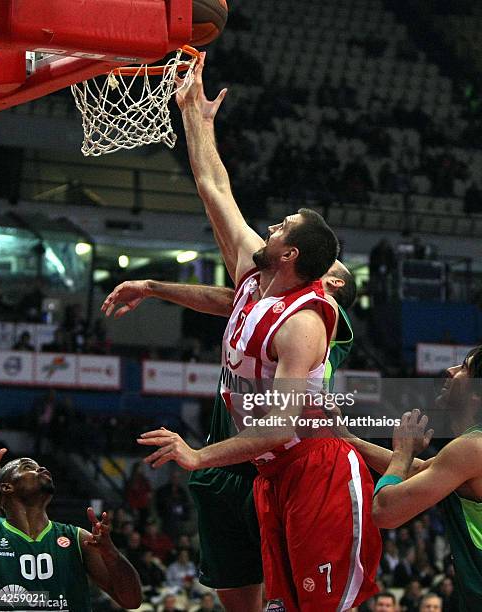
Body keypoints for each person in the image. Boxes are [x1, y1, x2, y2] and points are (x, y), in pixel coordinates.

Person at [133, 53, 380, 612]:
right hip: (271, 471)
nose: (268, 226)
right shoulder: (257, 275)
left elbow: (277, 430)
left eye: (281, 227)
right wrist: (196, 117)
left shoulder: (305, 321)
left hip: (309, 462)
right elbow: (213, 187)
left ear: (290, 254)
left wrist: (197, 455)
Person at [337, 346, 482, 611]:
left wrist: (402, 453)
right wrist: (348, 439)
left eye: (464, 368)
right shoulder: (469, 451)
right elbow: (418, 472)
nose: (449, 371)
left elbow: (384, 511)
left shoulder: (472, 449)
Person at [0, 422, 142, 611]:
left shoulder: (77, 538)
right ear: (6, 487)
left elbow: (132, 601)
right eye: (28, 467)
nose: (42, 469)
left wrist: (111, 553)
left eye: (40, 466)